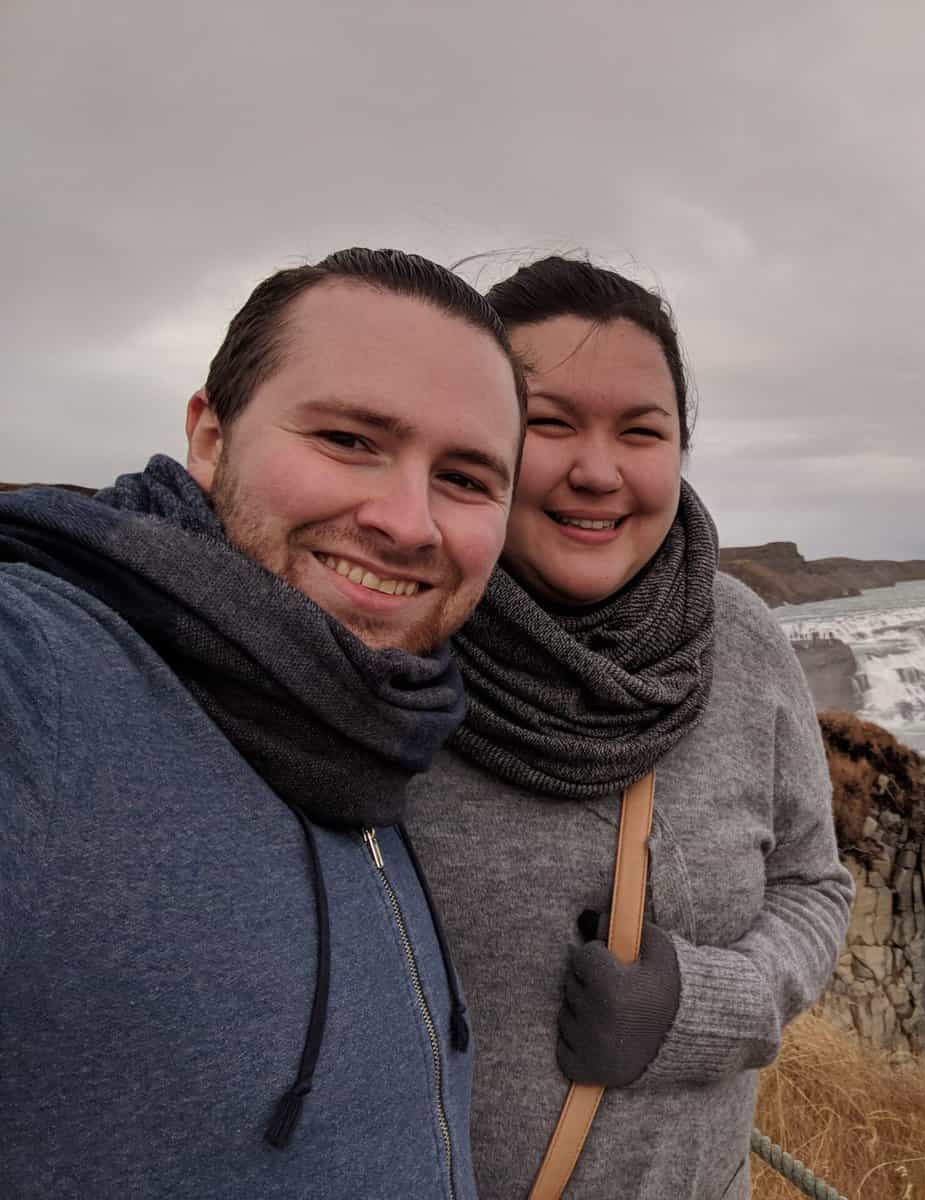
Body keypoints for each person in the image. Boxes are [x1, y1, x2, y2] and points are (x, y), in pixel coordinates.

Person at [0, 248, 528, 1199]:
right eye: (350, 440)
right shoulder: (41, 674)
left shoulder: (373, 720)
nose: (409, 523)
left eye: (464, 477)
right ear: (209, 436)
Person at [406, 256, 854, 1199]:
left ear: (678, 451)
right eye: (550, 423)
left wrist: (696, 1007)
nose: (597, 471)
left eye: (639, 432)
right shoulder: (393, 636)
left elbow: (814, 887)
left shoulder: (743, 642)